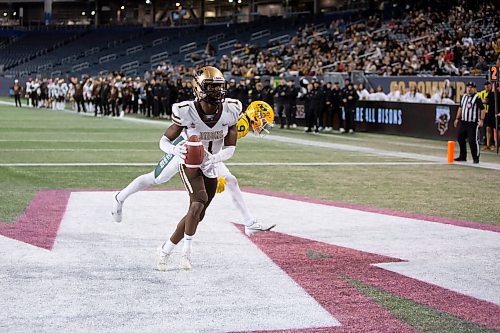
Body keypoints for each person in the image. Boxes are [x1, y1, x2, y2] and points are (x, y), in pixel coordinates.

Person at [454, 82, 486, 164]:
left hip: (472, 123)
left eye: (471, 87)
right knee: (460, 137)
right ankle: (462, 156)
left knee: (472, 140)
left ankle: (476, 158)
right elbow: (460, 107)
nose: (469, 88)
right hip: (464, 122)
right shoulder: (464, 96)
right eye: (468, 87)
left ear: (474, 88)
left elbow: (482, 109)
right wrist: (457, 119)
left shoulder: (477, 98)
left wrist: (481, 120)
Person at [478, 81, 495, 151]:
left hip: (495, 113)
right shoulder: (488, 93)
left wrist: (478, 100)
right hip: (489, 113)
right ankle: (488, 145)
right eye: (486, 86)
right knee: (488, 128)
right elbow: (485, 100)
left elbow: (485, 101)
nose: (487, 87)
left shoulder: (494, 93)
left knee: (496, 130)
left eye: (488, 86)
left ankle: (495, 145)